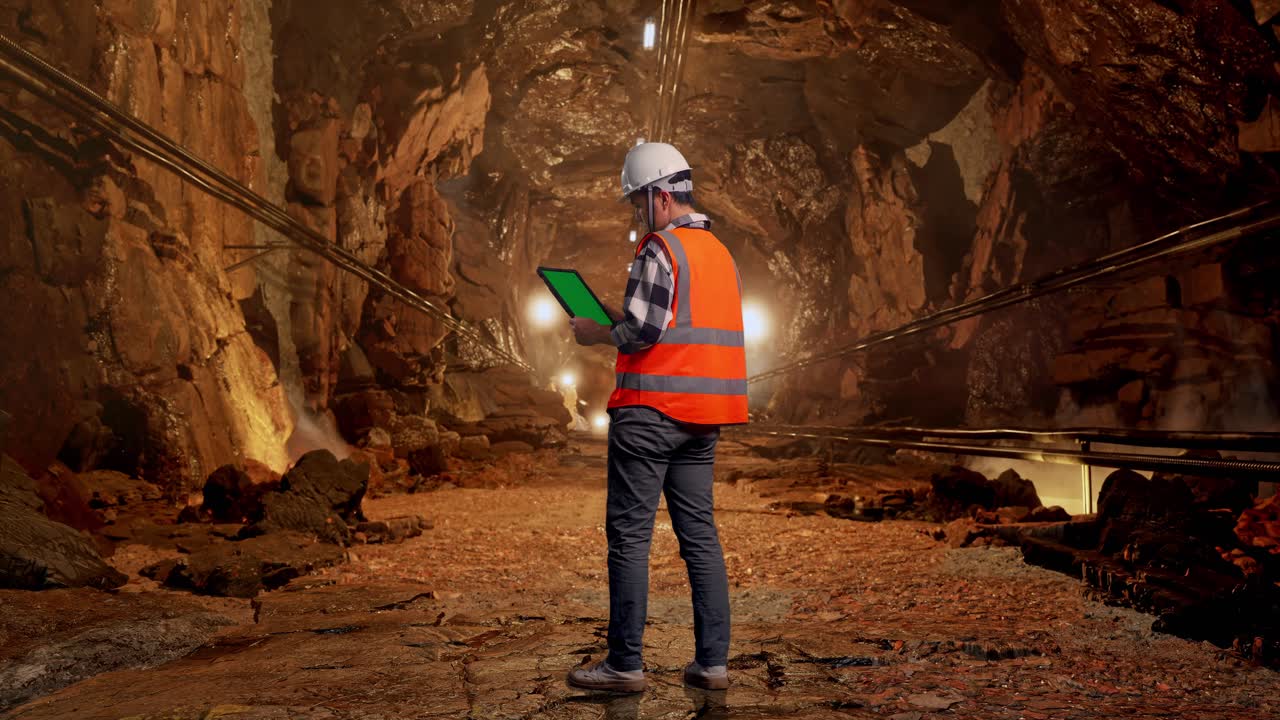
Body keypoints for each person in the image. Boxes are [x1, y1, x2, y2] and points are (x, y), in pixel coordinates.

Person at [566, 142, 748, 693]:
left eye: (638, 202)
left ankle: (625, 665)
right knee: (699, 535)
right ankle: (712, 664)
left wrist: (598, 331)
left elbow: (644, 333)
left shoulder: (659, 249)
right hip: (704, 418)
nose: (636, 214)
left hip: (649, 414)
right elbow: (679, 323)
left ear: (661, 196)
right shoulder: (720, 254)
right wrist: (624, 316)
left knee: (629, 537)